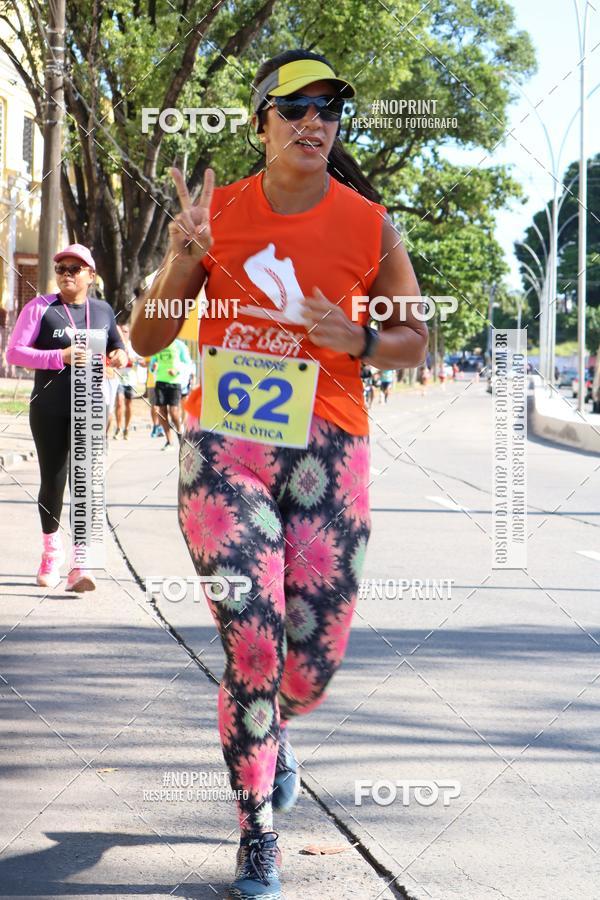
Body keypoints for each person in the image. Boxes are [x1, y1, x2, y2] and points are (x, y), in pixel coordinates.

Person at [130, 49, 427, 900]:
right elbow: (150, 341)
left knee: (308, 667)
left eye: (330, 107)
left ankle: (275, 734)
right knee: (254, 642)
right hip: (227, 446)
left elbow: (417, 341)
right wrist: (184, 262)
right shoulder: (215, 214)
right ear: (261, 119)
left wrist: (357, 339)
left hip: (330, 450)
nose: (314, 120)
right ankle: (257, 827)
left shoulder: (370, 225)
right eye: (294, 105)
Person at [6, 243, 127, 591]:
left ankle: (81, 561)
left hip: (89, 407)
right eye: (61, 269)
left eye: (75, 269)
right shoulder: (41, 308)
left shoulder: (102, 310)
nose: (67, 274)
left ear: (91, 275)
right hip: (49, 409)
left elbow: (118, 346)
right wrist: (59, 356)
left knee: (86, 483)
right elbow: (15, 352)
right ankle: (50, 552)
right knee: (54, 481)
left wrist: (120, 356)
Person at [149, 339, 186, 449]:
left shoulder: (179, 345)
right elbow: (152, 364)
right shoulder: (157, 344)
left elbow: (187, 362)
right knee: (162, 412)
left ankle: (180, 432)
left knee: (174, 412)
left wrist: (177, 370)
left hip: (174, 382)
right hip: (160, 381)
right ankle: (169, 441)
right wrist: (153, 367)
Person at [113, 322, 141, 440]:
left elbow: (142, 362)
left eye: (125, 331)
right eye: (121, 331)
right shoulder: (116, 345)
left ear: (129, 333)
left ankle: (127, 428)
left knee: (129, 404)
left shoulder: (133, 346)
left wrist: (134, 360)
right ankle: (119, 428)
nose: (123, 334)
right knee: (119, 402)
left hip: (130, 379)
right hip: (117, 377)